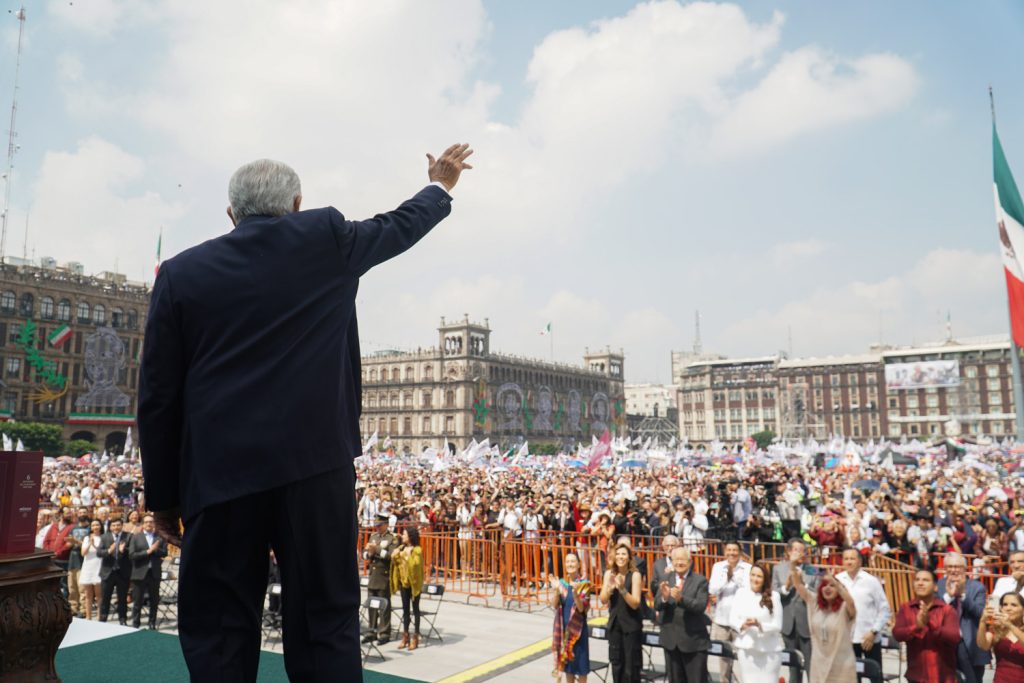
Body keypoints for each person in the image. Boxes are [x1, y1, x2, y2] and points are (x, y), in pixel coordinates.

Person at [138, 143, 472, 680]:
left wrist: (162, 496)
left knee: (220, 626)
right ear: (297, 203)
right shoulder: (328, 238)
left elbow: (157, 396)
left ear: (231, 214)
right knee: (324, 618)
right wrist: (440, 185)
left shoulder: (180, 274)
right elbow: (399, 225)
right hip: (315, 470)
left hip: (219, 478)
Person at [893, 569, 961, 683]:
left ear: (935, 587)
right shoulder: (906, 608)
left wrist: (930, 623)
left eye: (925, 580)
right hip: (916, 676)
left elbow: (954, 637)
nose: (920, 583)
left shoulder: (947, 610)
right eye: (917, 580)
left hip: (943, 676)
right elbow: (897, 634)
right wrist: (916, 627)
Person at [655, 547, 710, 683]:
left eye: (682, 560)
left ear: (690, 562)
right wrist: (665, 598)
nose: (679, 563)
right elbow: (657, 604)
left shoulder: (700, 581)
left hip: (693, 643)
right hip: (671, 642)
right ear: (672, 562)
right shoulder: (665, 578)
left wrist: (681, 599)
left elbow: (700, 606)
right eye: (676, 559)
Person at [790, 570, 857, 683]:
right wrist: (792, 565)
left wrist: (836, 583)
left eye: (832, 585)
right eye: (824, 585)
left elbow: (851, 602)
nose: (827, 588)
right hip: (818, 665)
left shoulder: (845, 608)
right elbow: (798, 585)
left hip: (841, 667)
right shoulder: (815, 604)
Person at [936, 552, 990, 683]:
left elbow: (980, 613)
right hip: (945, 645)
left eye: (957, 566)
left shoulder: (977, 587)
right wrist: (948, 597)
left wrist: (963, 595)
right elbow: (935, 613)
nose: (954, 570)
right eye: (950, 566)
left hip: (968, 645)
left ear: (965, 568)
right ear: (945, 568)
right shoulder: (939, 585)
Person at [835, 547, 890, 670]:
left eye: (852, 559)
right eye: (846, 559)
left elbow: (884, 609)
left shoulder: (871, 581)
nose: (849, 562)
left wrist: (873, 632)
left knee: (875, 675)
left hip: (869, 638)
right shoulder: (837, 580)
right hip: (847, 639)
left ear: (860, 561)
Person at [730, 562, 783, 683]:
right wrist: (742, 625)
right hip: (746, 649)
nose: (755, 579)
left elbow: (778, 625)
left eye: (759, 576)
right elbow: (732, 618)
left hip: (769, 651)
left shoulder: (774, 596)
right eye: (752, 575)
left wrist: (759, 625)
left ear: (765, 579)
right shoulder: (741, 593)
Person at [599, 541, 643, 682]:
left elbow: (635, 603)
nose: (620, 557)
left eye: (623, 554)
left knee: (631, 668)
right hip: (615, 625)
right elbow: (603, 599)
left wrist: (623, 590)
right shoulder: (609, 573)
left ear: (629, 557)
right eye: (617, 554)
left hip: (631, 626)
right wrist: (610, 589)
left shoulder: (635, 575)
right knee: (616, 665)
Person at [708, 540, 750, 683]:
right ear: (725, 551)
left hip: (740, 620)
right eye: (729, 550)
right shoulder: (718, 566)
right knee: (724, 660)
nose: (731, 553)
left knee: (742, 658)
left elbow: (748, 589)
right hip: (722, 619)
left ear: (740, 552)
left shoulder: (747, 568)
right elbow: (712, 589)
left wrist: (735, 577)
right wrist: (726, 578)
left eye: (734, 550)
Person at [772, 538, 814, 683]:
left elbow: (816, 594)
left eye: (803, 551)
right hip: (788, 624)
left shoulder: (811, 569)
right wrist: (787, 586)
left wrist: (803, 585)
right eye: (796, 550)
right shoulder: (778, 568)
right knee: (793, 666)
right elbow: (774, 593)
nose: (800, 554)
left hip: (807, 624)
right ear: (789, 551)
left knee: (811, 665)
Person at [550, 552, 592, 683]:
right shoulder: (561, 584)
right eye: (567, 562)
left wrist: (575, 594)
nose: (570, 564)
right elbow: (555, 605)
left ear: (579, 564)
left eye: (573, 561)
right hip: (565, 633)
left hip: (578, 633)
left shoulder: (585, 584)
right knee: (569, 669)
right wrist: (556, 590)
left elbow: (581, 609)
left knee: (581, 669)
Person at [128, 513, 168, 629]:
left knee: (154, 601)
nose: (149, 524)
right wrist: (148, 551)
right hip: (139, 574)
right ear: (143, 524)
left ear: (154, 524)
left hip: (154, 573)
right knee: (137, 602)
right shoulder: (136, 537)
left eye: (151, 522)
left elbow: (165, 553)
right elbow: (131, 555)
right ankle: (136, 624)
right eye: (146, 522)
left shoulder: (159, 537)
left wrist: (155, 550)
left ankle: (152, 623)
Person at [977, 592, 1024, 682]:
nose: (1008, 608)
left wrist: (1010, 626)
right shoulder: (996, 629)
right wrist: (982, 622)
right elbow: (983, 645)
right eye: (1004, 605)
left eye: (1013, 605)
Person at [364, 513, 396, 645]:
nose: (377, 528)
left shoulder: (391, 539)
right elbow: (366, 555)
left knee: (384, 605)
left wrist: (376, 549)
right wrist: (370, 553)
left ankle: (384, 632)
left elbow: (390, 556)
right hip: (373, 575)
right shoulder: (373, 536)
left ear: (386, 525)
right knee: (372, 604)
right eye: (376, 525)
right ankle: (371, 630)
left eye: (380, 525)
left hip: (384, 575)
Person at [391, 526, 424, 651]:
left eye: (404, 534)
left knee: (415, 610)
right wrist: (395, 555)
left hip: (414, 584)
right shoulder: (401, 548)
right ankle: (405, 636)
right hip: (404, 583)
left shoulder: (417, 550)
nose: (402, 536)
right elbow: (395, 562)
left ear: (410, 536)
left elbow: (415, 564)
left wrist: (405, 556)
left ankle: (416, 636)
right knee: (405, 610)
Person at [96, 518, 132, 625]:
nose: (116, 527)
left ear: (122, 526)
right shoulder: (104, 537)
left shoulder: (129, 536)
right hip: (108, 572)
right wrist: (109, 550)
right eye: (113, 525)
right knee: (105, 598)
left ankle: (122, 619)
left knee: (122, 598)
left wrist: (123, 550)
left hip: (123, 572)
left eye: (118, 525)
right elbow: (99, 553)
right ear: (110, 527)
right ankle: (103, 619)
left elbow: (133, 551)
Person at [79, 519, 104, 620]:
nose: (95, 527)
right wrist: (90, 543)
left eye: (97, 525)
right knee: (88, 595)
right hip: (88, 567)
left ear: (100, 526)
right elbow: (83, 553)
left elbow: (103, 552)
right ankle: (88, 616)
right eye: (93, 525)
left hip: (99, 566)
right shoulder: (86, 538)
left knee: (99, 595)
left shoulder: (104, 537)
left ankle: (99, 615)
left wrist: (94, 544)